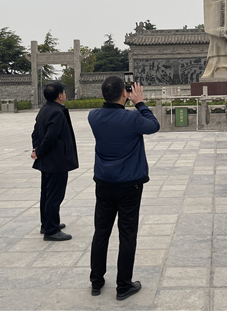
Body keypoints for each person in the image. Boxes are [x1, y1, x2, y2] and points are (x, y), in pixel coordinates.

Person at [88, 76, 160, 301]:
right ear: (124, 93)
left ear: (102, 94)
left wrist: (126, 100)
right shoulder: (133, 118)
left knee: (101, 231)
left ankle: (96, 280)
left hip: (104, 182)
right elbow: (154, 125)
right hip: (130, 183)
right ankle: (123, 285)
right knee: (127, 233)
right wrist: (139, 102)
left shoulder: (93, 116)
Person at [31, 82, 78, 241]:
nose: (64, 95)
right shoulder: (57, 112)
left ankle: (47, 224)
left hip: (47, 160)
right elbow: (50, 137)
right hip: (56, 160)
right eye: (63, 92)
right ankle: (51, 230)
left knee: (46, 193)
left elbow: (35, 133)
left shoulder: (44, 110)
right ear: (59, 95)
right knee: (54, 195)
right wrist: (39, 151)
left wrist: (36, 149)